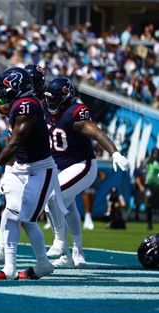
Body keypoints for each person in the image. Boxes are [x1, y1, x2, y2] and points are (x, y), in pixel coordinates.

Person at [0, 67, 66, 280]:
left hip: (40, 169)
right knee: (11, 215)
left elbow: (15, 142)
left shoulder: (28, 106)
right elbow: (2, 108)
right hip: (21, 168)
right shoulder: (20, 104)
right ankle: (9, 268)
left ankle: (43, 264)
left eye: (5, 87)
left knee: (27, 220)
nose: (2, 91)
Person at [40, 77, 130, 267]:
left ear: (65, 99)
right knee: (68, 206)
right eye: (49, 99)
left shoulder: (74, 113)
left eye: (55, 99)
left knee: (51, 197)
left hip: (82, 165)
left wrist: (114, 152)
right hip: (58, 167)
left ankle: (60, 242)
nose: (50, 103)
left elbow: (95, 131)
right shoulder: (44, 108)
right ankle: (75, 253)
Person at [145, 147, 159, 231]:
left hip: (157, 186)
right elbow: (143, 171)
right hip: (149, 186)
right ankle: (149, 223)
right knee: (148, 205)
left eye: (156, 152)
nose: (155, 154)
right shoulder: (149, 161)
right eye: (154, 152)